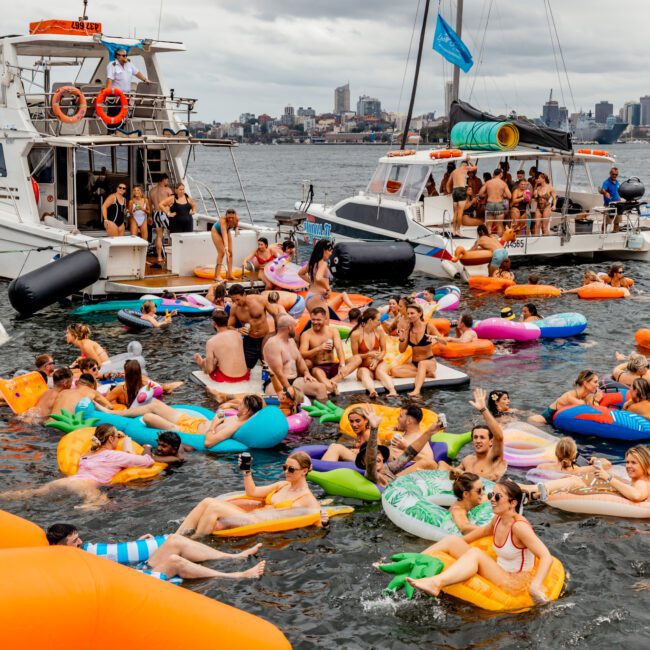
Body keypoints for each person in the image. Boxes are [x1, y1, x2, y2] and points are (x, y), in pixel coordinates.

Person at [405, 479, 553, 605]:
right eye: (491, 495)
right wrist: (456, 543)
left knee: (475, 553)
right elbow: (477, 534)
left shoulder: (519, 527)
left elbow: (546, 556)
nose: (492, 500)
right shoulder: (498, 520)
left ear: (512, 503)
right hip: (499, 570)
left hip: (514, 581)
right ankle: (411, 562)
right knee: (451, 540)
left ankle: (436, 583)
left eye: (497, 497)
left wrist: (535, 587)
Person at [176, 451, 326, 537]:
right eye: (284, 467)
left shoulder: (307, 499)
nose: (286, 472)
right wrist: (246, 470)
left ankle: (193, 541)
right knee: (207, 501)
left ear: (304, 471)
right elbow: (252, 492)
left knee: (214, 508)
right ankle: (177, 535)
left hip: (257, 522)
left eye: (291, 469)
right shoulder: (282, 485)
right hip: (252, 515)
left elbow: (317, 517)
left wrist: (323, 519)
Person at [0, 424, 154, 507]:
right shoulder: (113, 456)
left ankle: (4, 497)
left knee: (32, 493)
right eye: (116, 437)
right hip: (85, 486)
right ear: (112, 439)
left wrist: (116, 435)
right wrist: (146, 446)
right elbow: (147, 461)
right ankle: (83, 508)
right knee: (103, 505)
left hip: (66, 481)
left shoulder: (87, 453)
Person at [47, 523, 264, 581]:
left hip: (133, 572)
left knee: (175, 540)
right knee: (174, 560)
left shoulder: (81, 552)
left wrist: (138, 544)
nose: (81, 542)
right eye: (75, 541)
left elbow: (113, 558)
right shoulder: (74, 566)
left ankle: (235, 556)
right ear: (60, 547)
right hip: (135, 582)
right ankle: (236, 576)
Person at [96, 394, 263, 448]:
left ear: (247, 410)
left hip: (188, 431)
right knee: (154, 403)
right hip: (193, 421)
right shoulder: (239, 415)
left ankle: (111, 414)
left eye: (241, 405)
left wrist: (213, 424)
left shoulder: (236, 425)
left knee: (148, 418)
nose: (238, 406)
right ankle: (114, 413)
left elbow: (209, 442)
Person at [533, 445, 650, 505]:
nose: (628, 466)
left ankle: (534, 493)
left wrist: (608, 478)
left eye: (633, 463)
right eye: (628, 462)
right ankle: (537, 494)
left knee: (574, 483)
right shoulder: (640, 480)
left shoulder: (642, 483)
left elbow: (636, 495)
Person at [357, 408, 440, 487]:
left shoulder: (387, 468)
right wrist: (374, 429)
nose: (375, 457)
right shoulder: (371, 474)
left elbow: (408, 454)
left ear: (382, 457)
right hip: (393, 497)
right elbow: (371, 459)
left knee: (440, 464)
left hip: (406, 486)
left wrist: (429, 432)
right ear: (364, 462)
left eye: (378, 453)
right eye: (366, 457)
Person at [439, 387, 506, 481]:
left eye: (482, 437)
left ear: (491, 442)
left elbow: (499, 437)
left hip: (485, 493)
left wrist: (483, 409)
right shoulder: (468, 460)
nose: (478, 440)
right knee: (442, 464)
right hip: (464, 492)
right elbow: (453, 475)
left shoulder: (494, 457)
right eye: (475, 437)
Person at [263, 316, 328, 401]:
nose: (296, 329)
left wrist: (306, 373)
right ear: (289, 327)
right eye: (295, 326)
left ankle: (323, 412)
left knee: (321, 388)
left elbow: (300, 359)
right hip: (276, 383)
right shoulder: (272, 344)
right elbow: (277, 372)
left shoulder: (291, 341)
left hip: (295, 380)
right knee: (282, 399)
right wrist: (289, 389)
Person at [299, 306, 349, 394]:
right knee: (315, 370)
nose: (315, 322)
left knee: (357, 359)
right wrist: (319, 348)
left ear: (325, 319)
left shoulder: (333, 331)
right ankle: (330, 387)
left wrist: (342, 365)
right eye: (313, 319)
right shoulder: (306, 334)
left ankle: (333, 380)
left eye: (318, 320)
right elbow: (301, 354)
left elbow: (339, 348)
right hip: (319, 367)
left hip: (333, 365)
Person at [390, 304, 438, 397]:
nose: (409, 316)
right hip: (414, 363)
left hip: (429, 362)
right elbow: (401, 350)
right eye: (408, 313)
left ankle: (416, 390)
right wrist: (402, 339)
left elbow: (444, 341)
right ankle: (426, 375)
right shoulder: (408, 329)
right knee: (394, 371)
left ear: (420, 313)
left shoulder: (428, 327)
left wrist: (435, 337)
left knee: (422, 364)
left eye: (412, 313)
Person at [349, 308, 397, 398]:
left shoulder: (380, 331)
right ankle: (372, 391)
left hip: (379, 363)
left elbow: (383, 350)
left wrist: (376, 360)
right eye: (378, 320)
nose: (380, 322)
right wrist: (367, 355)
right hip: (364, 366)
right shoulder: (356, 334)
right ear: (370, 320)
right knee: (364, 373)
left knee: (380, 371)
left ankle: (392, 391)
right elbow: (355, 357)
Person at [195, 309, 250, 382]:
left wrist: (205, 364)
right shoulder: (238, 335)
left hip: (227, 379)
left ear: (214, 323)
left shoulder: (211, 342)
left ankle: (202, 362)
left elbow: (209, 370)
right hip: (245, 376)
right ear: (227, 322)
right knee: (218, 358)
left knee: (209, 364)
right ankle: (206, 361)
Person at [530, 369, 603, 426]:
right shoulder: (570, 396)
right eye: (595, 382)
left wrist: (594, 400)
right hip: (544, 420)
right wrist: (595, 400)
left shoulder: (587, 397)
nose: (597, 385)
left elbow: (598, 413)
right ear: (585, 383)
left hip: (555, 422)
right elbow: (585, 408)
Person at [298, 239, 353, 313]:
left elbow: (300, 273)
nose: (330, 253)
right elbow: (318, 277)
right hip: (317, 298)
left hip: (310, 297)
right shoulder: (323, 264)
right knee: (343, 295)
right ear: (323, 250)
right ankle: (354, 309)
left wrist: (312, 282)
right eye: (329, 251)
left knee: (340, 302)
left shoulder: (312, 263)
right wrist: (328, 288)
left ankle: (351, 308)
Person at [228, 284, 271, 370]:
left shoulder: (260, 300)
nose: (236, 302)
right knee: (246, 367)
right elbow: (229, 326)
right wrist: (237, 330)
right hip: (250, 339)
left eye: (237, 299)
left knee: (268, 366)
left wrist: (277, 333)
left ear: (244, 294)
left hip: (265, 338)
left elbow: (276, 314)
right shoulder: (234, 308)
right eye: (233, 300)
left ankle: (269, 381)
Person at [534, 436, 611, 476]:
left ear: (556, 453)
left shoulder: (542, 467)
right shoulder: (577, 471)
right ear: (575, 454)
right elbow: (607, 464)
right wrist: (594, 460)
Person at [447, 159, 478, 237]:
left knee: (455, 213)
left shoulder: (454, 172)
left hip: (454, 191)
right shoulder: (465, 168)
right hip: (461, 190)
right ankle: (458, 230)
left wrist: (449, 192)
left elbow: (448, 184)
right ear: (465, 165)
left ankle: (453, 230)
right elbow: (475, 167)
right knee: (460, 212)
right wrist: (470, 161)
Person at [149, 174, 173, 268]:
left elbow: (149, 205)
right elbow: (172, 201)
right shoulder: (167, 190)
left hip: (156, 214)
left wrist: (150, 216)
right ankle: (172, 254)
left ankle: (159, 257)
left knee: (159, 236)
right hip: (164, 214)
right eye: (167, 180)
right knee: (171, 234)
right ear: (163, 180)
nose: (167, 181)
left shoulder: (152, 191)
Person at [478, 168, 512, 237]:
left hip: (490, 204)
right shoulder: (503, 184)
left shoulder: (488, 182)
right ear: (501, 174)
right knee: (499, 225)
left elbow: (480, 194)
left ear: (494, 174)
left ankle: (490, 240)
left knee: (489, 225)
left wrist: (487, 194)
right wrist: (502, 195)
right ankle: (499, 241)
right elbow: (509, 196)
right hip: (499, 204)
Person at [211, 208, 240, 280]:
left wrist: (236, 229)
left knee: (230, 253)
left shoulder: (236, 218)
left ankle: (229, 274)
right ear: (226, 215)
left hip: (227, 231)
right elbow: (224, 235)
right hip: (216, 232)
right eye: (229, 217)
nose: (230, 219)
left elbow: (236, 224)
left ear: (235, 216)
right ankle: (217, 276)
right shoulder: (223, 221)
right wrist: (226, 248)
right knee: (222, 253)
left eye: (232, 217)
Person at [563, 270, 630, 297]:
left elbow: (579, 289)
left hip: (620, 294)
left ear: (588, 278)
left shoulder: (591, 285)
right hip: (622, 291)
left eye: (584, 278)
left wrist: (566, 291)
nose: (583, 279)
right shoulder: (600, 282)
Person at [599, 167, 622, 232]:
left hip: (617, 205)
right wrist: (606, 193)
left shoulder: (617, 182)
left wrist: (620, 199)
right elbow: (602, 190)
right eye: (613, 174)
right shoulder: (606, 182)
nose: (614, 176)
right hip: (609, 206)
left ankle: (615, 233)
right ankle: (603, 234)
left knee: (617, 222)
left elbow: (618, 192)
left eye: (616, 174)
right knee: (606, 222)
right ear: (610, 174)